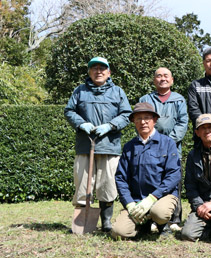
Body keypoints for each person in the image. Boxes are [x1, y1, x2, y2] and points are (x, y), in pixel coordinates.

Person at [64, 56, 132, 232]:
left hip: (109, 146)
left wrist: (110, 126)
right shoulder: (80, 91)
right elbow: (69, 111)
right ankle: (81, 221)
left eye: (102, 68)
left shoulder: (118, 92)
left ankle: (106, 221)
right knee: (82, 183)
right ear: (89, 72)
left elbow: (126, 115)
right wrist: (81, 123)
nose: (98, 71)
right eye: (94, 68)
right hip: (85, 146)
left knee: (107, 184)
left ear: (109, 72)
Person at [110, 103, 181, 239]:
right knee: (119, 232)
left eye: (147, 118)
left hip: (162, 196)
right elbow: (121, 178)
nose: (143, 122)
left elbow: (173, 175)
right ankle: (143, 224)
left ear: (154, 120)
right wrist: (129, 204)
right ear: (134, 122)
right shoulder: (129, 147)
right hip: (137, 200)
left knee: (159, 213)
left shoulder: (168, 143)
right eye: (138, 119)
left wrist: (152, 197)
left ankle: (162, 224)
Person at [139, 67, 188, 231]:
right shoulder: (146, 99)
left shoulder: (179, 100)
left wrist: (167, 142)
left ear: (172, 80)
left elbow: (182, 124)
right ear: (154, 80)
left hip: (173, 149)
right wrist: (154, 142)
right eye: (158, 76)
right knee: (152, 182)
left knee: (174, 183)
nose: (162, 78)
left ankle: (174, 219)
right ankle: (153, 218)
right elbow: (141, 122)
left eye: (166, 76)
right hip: (149, 149)